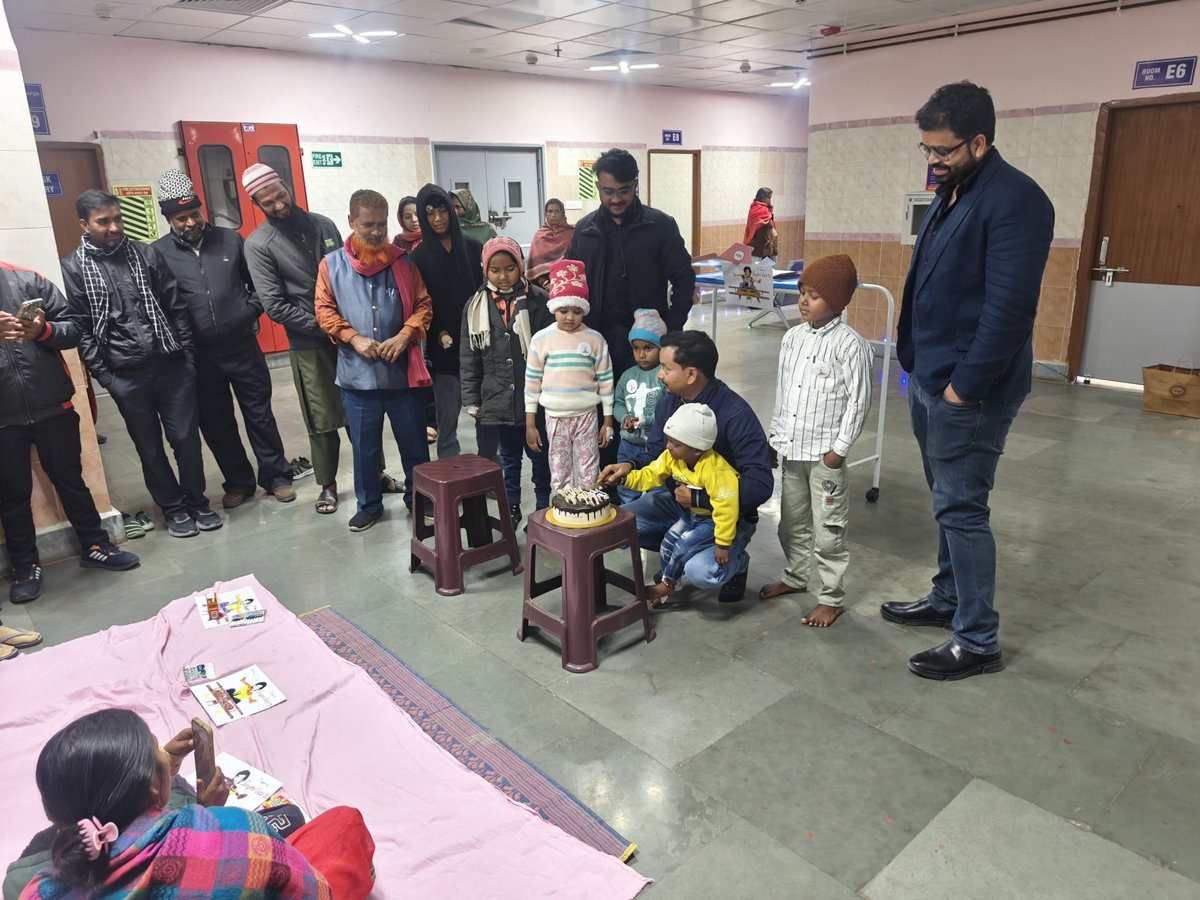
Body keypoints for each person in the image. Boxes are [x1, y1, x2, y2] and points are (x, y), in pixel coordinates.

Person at [881, 81, 1054, 680]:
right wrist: (916, 364)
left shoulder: (1016, 201)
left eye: (943, 150)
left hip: (969, 389)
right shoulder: (953, 191)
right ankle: (948, 598)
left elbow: (1009, 312)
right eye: (926, 149)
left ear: (979, 142)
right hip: (930, 375)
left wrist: (963, 389)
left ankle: (978, 640)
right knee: (945, 501)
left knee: (963, 508)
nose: (932, 160)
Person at [6, 709, 373, 898]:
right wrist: (212, 817)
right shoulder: (239, 832)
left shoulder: (34, 888)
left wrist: (164, 766)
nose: (163, 756)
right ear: (154, 791)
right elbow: (315, 893)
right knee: (343, 824)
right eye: (156, 753)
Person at [60, 190, 219, 539]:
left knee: (186, 440)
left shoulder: (145, 253)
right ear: (85, 225)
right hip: (125, 376)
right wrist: (105, 377)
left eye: (118, 218)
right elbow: (82, 327)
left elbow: (176, 307)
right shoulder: (73, 267)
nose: (115, 227)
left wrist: (188, 358)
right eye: (104, 221)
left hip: (172, 367)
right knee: (149, 447)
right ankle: (174, 509)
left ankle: (197, 502)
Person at [243, 166, 399, 514]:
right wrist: (331, 326)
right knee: (322, 416)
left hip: (353, 336)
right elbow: (275, 306)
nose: (279, 206)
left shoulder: (323, 225)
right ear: (255, 203)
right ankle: (327, 484)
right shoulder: (258, 246)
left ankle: (377, 473)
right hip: (311, 342)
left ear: (287, 185)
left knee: (365, 408)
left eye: (281, 195)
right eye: (268, 203)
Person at [0, 262, 139, 647]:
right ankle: (25, 566)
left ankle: (95, 546)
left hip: (52, 406)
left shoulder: (25, 280)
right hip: (2, 421)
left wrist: (41, 330)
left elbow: (74, 328)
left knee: (70, 480)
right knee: (11, 496)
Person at [152, 170, 295, 510]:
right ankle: (238, 482)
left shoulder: (232, 241)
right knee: (216, 422)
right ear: (169, 220)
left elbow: (259, 287)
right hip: (199, 357)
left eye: (193, 215)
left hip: (243, 347)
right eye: (180, 218)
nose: (189, 223)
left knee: (259, 414)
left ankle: (277, 477)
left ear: (202, 212)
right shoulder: (158, 253)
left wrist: (245, 314)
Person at [600, 330, 773, 603]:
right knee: (618, 527)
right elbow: (657, 455)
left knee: (702, 571)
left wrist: (700, 498)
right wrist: (629, 467)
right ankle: (683, 550)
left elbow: (762, 484)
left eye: (667, 368)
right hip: (678, 504)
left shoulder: (734, 414)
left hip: (726, 514)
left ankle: (736, 562)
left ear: (691, 374)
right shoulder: (668, 402)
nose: (659, 374)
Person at [759, 255, 874, 627]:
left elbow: (859, 401)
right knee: (790, 523)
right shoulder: (792, 337)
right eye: (802, 293)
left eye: (815, 296)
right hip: (792, 451)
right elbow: (783, 392)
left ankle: (831, 597)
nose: (804, 302)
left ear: (839, 301)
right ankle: (795, 577)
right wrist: (777, 439)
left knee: (828, 531)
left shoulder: (850, 345)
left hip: (826, 457)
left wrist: (838, 452)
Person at [314, 189, 432, 531]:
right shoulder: (331, 265)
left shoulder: (403, 262)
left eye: (381, 225)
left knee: (414, 446)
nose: (377, 232)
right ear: (351, 222)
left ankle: (419, 500)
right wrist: (354, 338)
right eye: (368, 225)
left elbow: (424, 305)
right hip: (357, 377)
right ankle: (369, 505)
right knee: (365, 450)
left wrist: (405, 335)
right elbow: (324, 310)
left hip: (401, 376)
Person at [566, 148, 695, 382]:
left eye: (623, 191)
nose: (615, 199)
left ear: (635, 184)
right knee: (599, 408)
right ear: (597, 187)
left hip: (648, 342)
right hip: (594, 338)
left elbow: (684, 278)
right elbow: (570, 282)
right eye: (608, 191)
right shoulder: (584, 230)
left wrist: (670, 328)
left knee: (647, 408)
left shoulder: (660, 226)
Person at [604, 404, 738, 608]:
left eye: (675, 443)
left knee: (683, 545)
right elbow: (650, 475)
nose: (667, 446)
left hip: (714, 521)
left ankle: (667, 584)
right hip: (692, 514)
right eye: (668, 440)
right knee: (669, 542)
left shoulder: (715, 470)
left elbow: (727, 508)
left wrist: (723, 544)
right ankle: (672, 580)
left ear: (696, 448)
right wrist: (623, 480)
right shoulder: (672, 457)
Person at [460, 236, 553, 523]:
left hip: (534, 397)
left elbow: (552, 348)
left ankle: (541, 508)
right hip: (498, 397)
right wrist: (471, 397)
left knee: (540, 457)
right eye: (495, 270)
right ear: (485, 270)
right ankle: (511, 506)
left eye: (509, 268)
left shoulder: (541, 301)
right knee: (509, 458)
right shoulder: (475, 306)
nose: (502, 276)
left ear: (520, 265)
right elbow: (468, 355)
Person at [524, 260, 614, 490]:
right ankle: (564, 518)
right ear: (554, 307)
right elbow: (532, 384)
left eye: (577, 311)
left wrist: (608, 421)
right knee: (559, 470)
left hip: (587, 416)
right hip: (554, 417)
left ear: (584, 309)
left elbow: (605, 381)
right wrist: (530, 423)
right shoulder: (541, 340)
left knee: (589, 470)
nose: (570, 317)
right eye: (564, 310)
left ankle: (588, 517)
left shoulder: (595, 339)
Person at [411, 184, 485, 459]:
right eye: (430, 213)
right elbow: (422, 302)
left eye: (443, 210)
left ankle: (490, 470)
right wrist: (438, 330)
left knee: (485, 417)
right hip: (444, 347)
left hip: (480, 343)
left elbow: (484, 294)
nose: (438, 218)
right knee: (447, 416)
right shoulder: (418, 257)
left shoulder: (473, 247)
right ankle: (450, 473)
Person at [612, 308, 666, 503]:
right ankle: (630, 518)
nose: (641, 354)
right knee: (626, 485)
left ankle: (652, 520)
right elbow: (618, 403)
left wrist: (645, 420)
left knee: (656, 489)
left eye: (648, 348)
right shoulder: (628, 375)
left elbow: (670, 410)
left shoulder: (664, 375)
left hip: (656, 446)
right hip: (628, 444)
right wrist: (625, 418)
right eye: (636, 348)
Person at [526, 198, 574, 288]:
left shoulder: (571, 233)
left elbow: (577, 260)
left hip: (569, 279)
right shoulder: (539, 236)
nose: (553, 215)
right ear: (546, 214)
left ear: (562, 213)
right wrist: (545, 284)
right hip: (544, 284)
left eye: (557, 211)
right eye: (550, 211)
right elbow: (535, 268)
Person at [744, 187, 778, 260]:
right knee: (760, 270)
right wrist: (769, 213)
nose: (770, 200)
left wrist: (770, 213)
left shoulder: (765, 210)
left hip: (769, 247)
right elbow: (759, 226)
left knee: (771, 269)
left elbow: (771, 226)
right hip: (758, 248)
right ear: (763, 198)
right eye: (769, 197)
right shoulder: (757, 209)